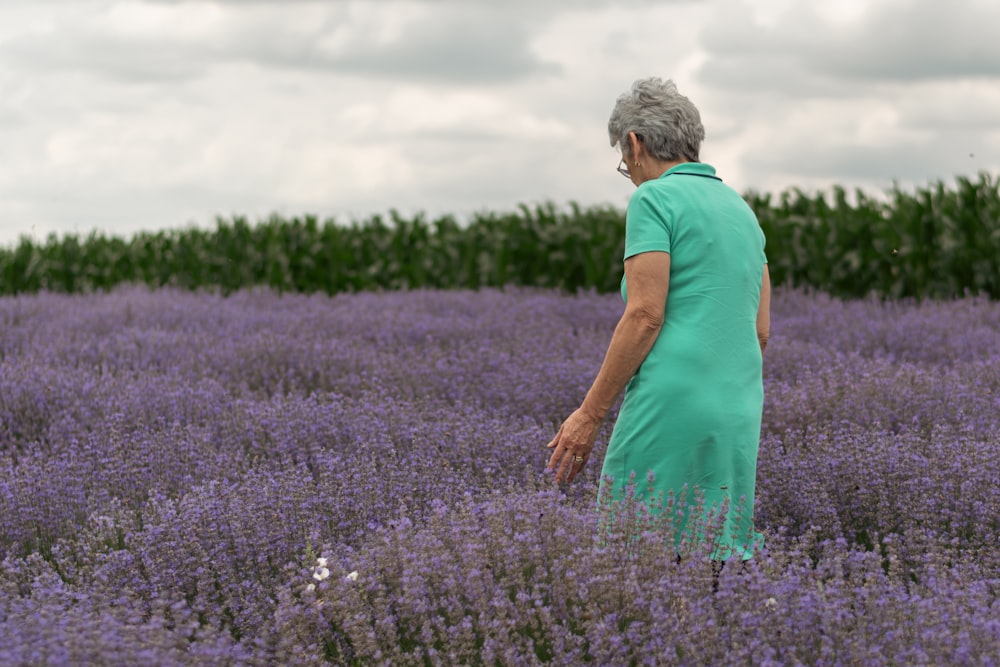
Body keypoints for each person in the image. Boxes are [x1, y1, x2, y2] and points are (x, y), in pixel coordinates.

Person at [546, 77, 770, 561]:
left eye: (625, 164)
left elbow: (646, 313)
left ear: (636, 144)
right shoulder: (743, 212)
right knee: (716, 553)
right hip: (738, 407)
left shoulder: (653, 200)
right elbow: (760, 330)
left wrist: (589, 415)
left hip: (670, 403)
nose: (630, 173)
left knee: (637, 552)